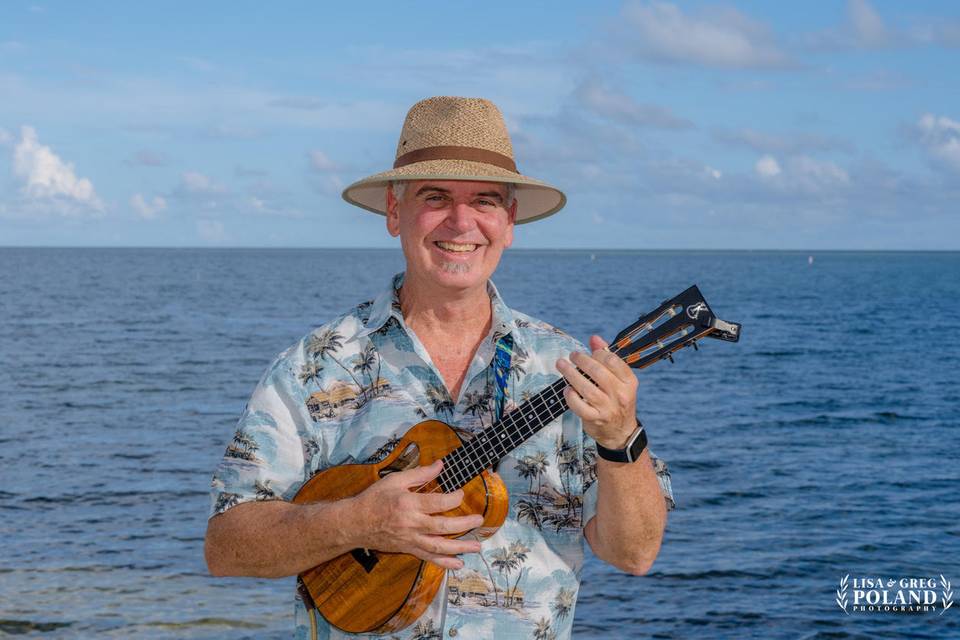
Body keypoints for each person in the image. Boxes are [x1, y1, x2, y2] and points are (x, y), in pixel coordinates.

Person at [204, 96, 675, 640]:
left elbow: (635, 554)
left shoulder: (566, 368)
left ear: (510, 220)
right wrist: (354, 521)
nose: (462, 222)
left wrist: (621, 438)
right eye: (435, 197)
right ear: (394, 212)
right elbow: (226, 546)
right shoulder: (314, 366)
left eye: (485, 200)